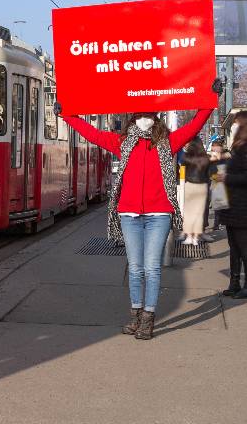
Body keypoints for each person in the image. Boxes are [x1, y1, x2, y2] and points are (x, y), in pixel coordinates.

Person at [59, 107, 213, 339]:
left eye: (149, 115)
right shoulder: (123, 142)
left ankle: (148, 319)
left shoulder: (167, 141)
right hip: (129, 215)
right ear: (133, 118)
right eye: (140, 115)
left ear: (156, 118)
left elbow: (194, 126)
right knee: (135, 268)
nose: (144, 120)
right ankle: (136, 315)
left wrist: (210, 102)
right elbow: (91, 133)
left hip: (158, 214)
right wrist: (67, 115)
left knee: (151, 268)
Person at [214, 111, 247, 298]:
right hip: (233, 205)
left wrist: (228, 177)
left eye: (236, 123)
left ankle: (244, 285)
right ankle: (234, 282)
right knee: (234, 246)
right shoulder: (238, 147)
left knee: (243, 247)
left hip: (242, 206)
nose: (233, 126)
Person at [179, 137, 211, 245]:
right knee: (199, 213)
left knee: (189, 212)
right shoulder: (206, 158)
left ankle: (189, 237)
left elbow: (182, 169)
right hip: (202, 186)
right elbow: (208, 173)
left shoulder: (186, 157)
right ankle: (196, 237)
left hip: (190, 185)